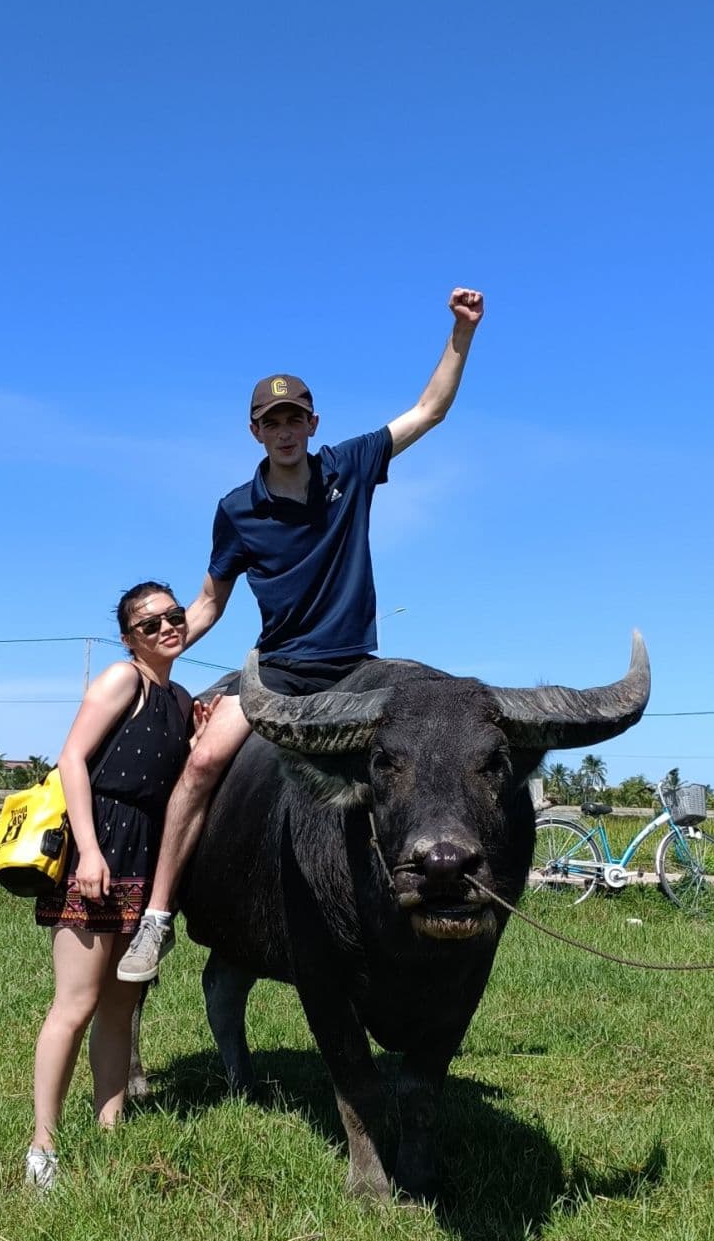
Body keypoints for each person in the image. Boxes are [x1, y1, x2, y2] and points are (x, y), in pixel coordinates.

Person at [117, 286, 485, 984]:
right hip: (281, 673)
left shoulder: (348, 468)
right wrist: (150, 656)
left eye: (294, 417)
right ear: (255, 431)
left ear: (313, 423)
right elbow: (206, 602)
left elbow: (430, 410)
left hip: (358, 672)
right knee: (198, 767)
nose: (284, 430)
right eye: (271, 420)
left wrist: (461, 332)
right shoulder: (236, 510)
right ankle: (158, 918)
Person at [25, 582, 195, 1190]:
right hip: (103, 843)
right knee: (75, 1004)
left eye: (173, 617)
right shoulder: (122, 680)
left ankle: (110, 1129)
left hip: (148, 853)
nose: (166, 628)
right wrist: (90, 852)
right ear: (129, 638)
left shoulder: (178, 697)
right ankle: (42, 1146)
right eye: (150, 624)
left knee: (123, 1005)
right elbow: (72, 759)